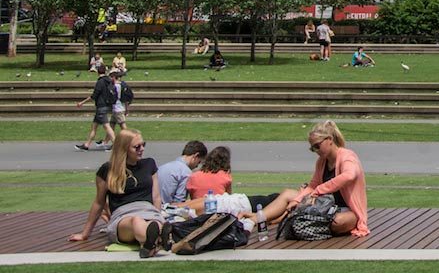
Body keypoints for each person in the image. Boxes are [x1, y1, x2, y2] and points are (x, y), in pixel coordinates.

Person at [252, 121, 369, 237]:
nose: (316, 151)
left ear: (330, 139)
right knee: (288, 194)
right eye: (313, 148)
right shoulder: (321, 162)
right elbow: (313, 185)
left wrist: (319, 190)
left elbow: (349, 175)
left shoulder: (347, 156)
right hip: (324, 206)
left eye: (317, 146)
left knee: (337, 222)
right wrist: (297, 200)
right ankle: (253, 221)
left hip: (347, 210)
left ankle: (299, 223)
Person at [67, 128, 169, 258]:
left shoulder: (149, 164)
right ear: (124, 148)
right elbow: (99, 203)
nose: (142, 149)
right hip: (124, 216)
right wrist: (85, 234)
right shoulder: (107, 170)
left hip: (148, 211)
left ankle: (151, 243)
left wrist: (157, 214)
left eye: (143, 145)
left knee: (155, 223)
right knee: (137, 221)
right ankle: (156, 240)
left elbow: (156, 197)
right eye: (137, 147)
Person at [178, 146, 280, 218]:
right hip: (218, 209)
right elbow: (228, 196)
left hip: (197, 207)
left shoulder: (194, 176)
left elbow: (192, 197)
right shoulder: (225, 177)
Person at [75, 66, 118, 151]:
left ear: (98, 72)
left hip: (101, 107)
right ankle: (87, 145)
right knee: (94, 126)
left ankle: (116, 144)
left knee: (107, 126)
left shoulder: (100, 82)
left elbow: (94, 96)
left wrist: (82, 102)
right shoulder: (109, 81)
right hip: (107, 105)